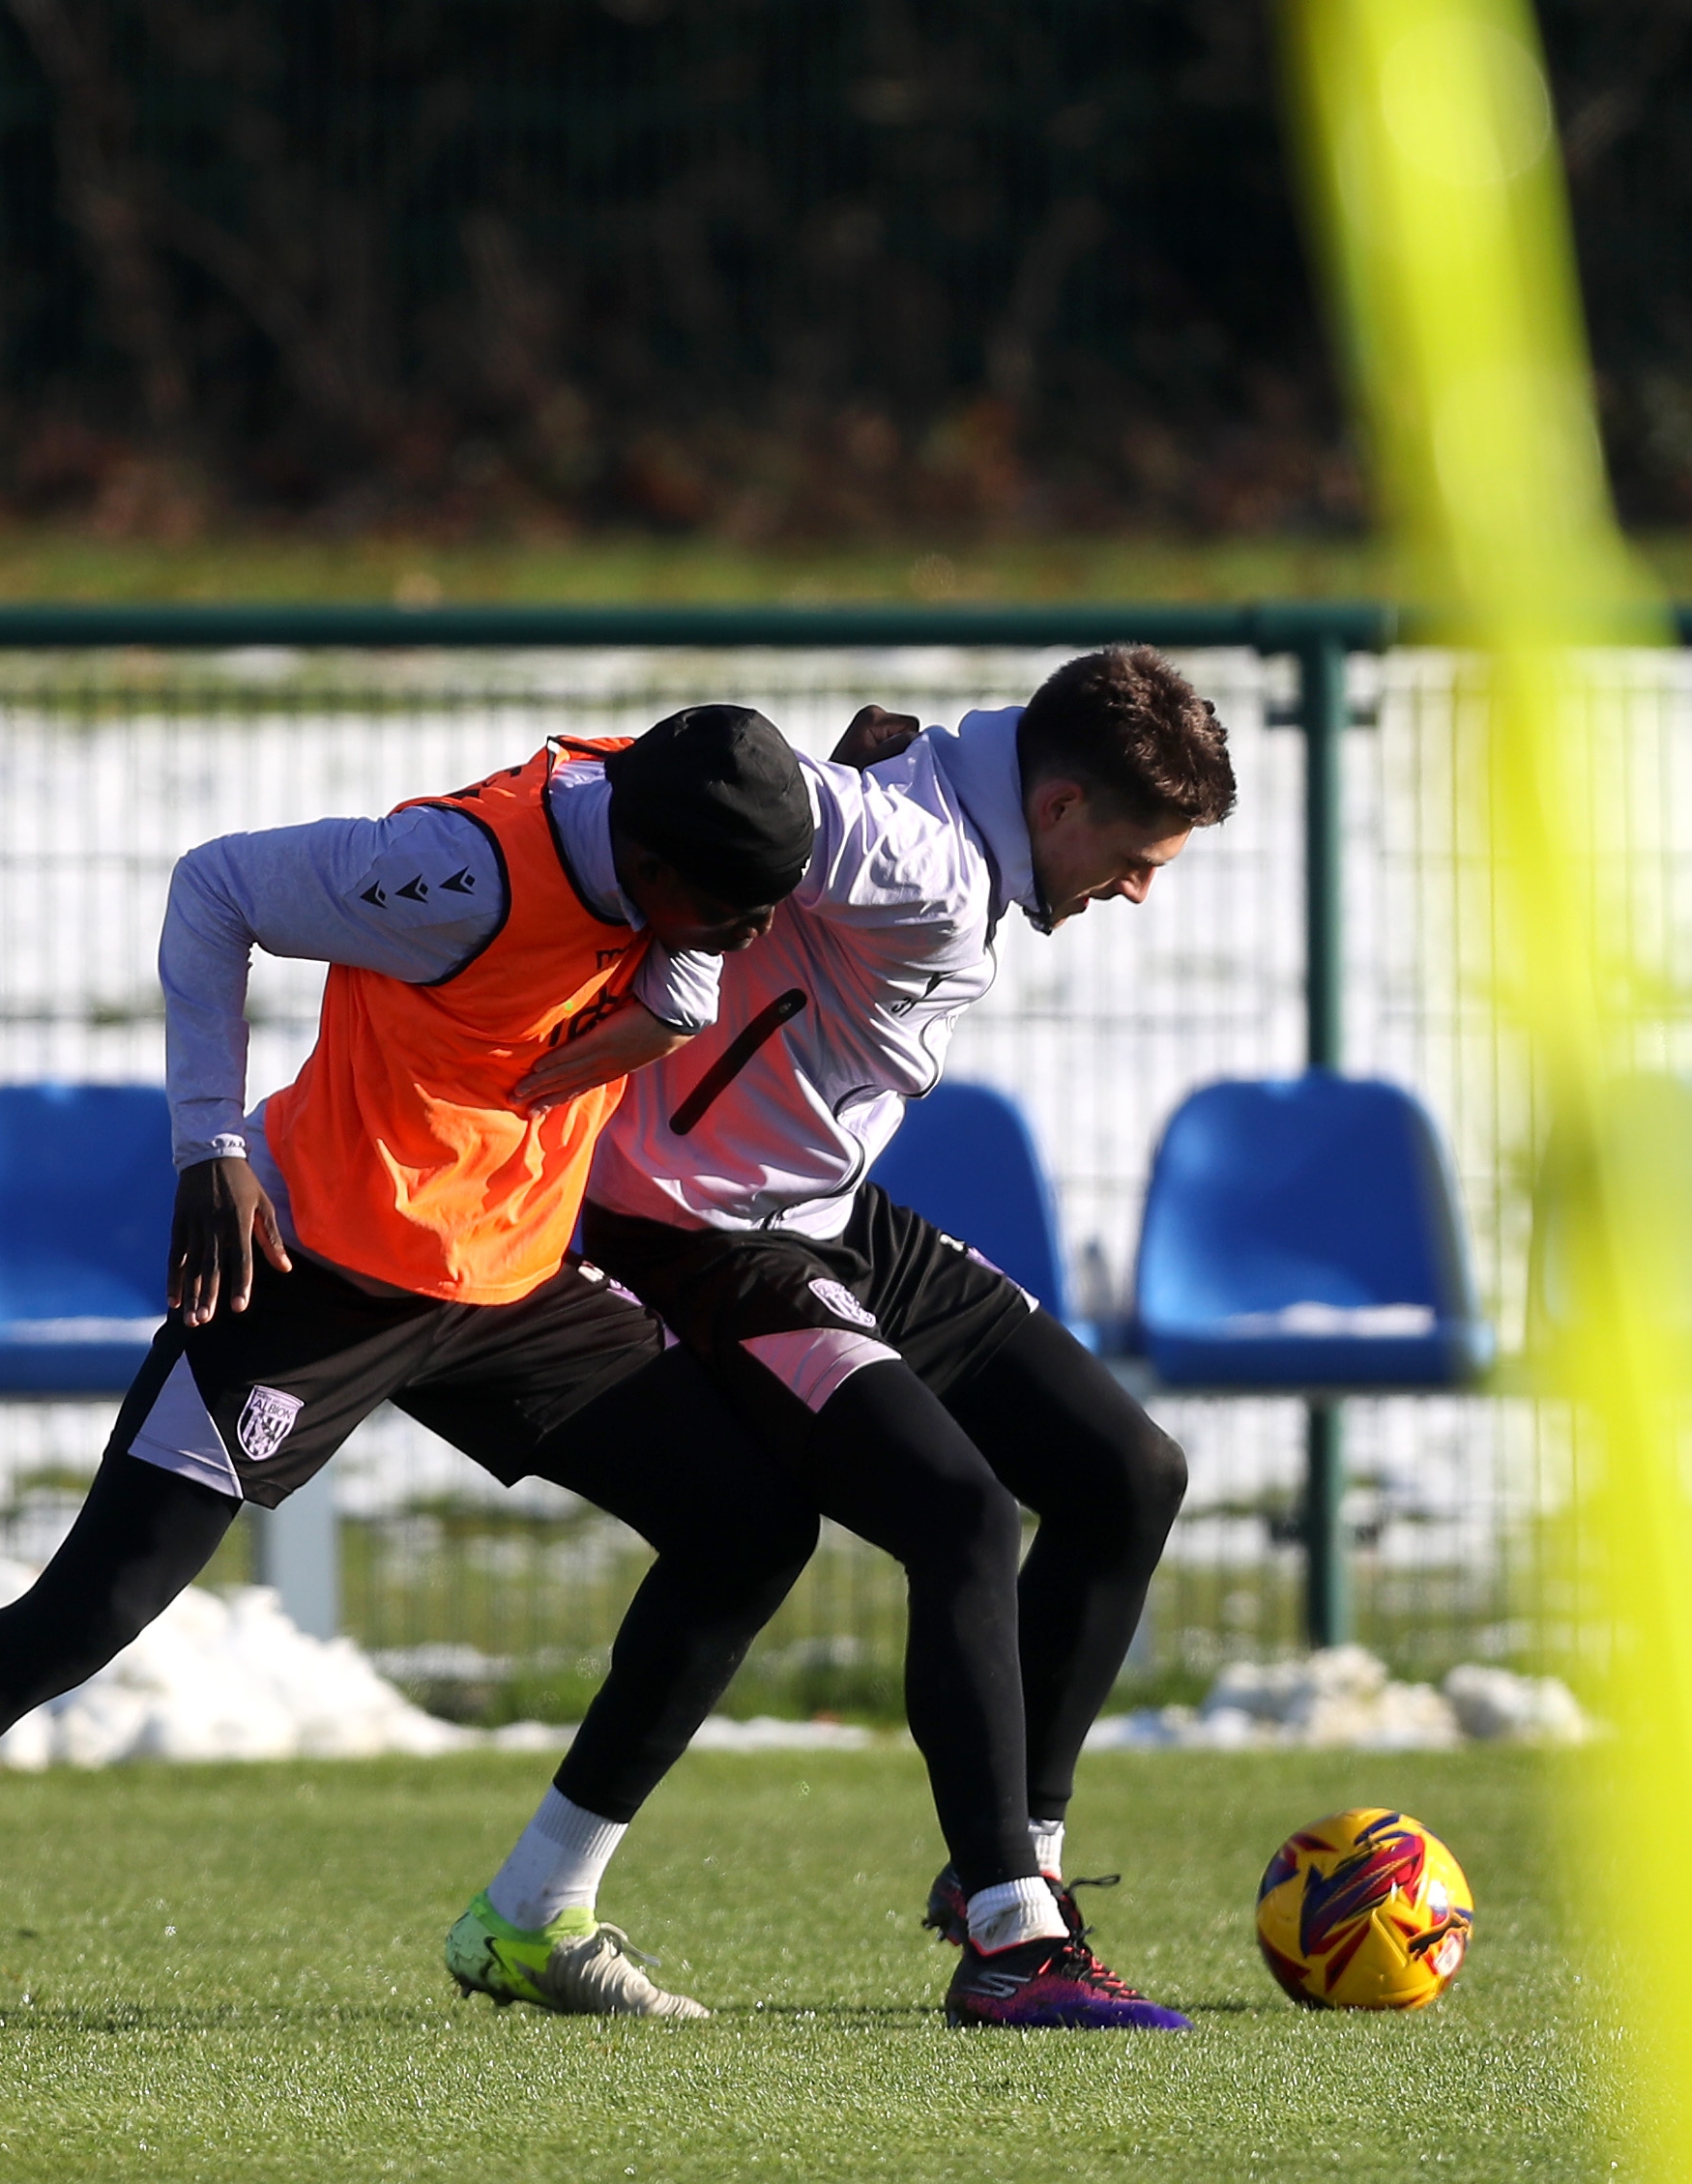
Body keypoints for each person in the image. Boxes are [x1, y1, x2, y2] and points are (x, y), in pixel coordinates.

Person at [0, 706, 827, 2036]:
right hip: (311, 1275)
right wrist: (209, 1147)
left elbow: (700, 939)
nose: (749, 938)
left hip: (506, 1278)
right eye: (729, 914)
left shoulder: (680, 830)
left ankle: (537, 1913)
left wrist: (675, 986)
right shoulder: (458, 875)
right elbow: (215, 886)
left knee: (750, 1522)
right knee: (86, 1613)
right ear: (657, 868)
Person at [445, 646, 1237, 2029]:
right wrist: (794, 783)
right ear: (1056, 807)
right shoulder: (920, 852)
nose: (1138, 888)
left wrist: (843, 769)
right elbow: (720, 792)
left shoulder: (958, 796)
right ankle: (1008, 1940)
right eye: (1134, 855)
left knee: (1127, 1473)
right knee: (959, 1517)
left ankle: (1014, 1864)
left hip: (827, 1211)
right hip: (704, 1236)